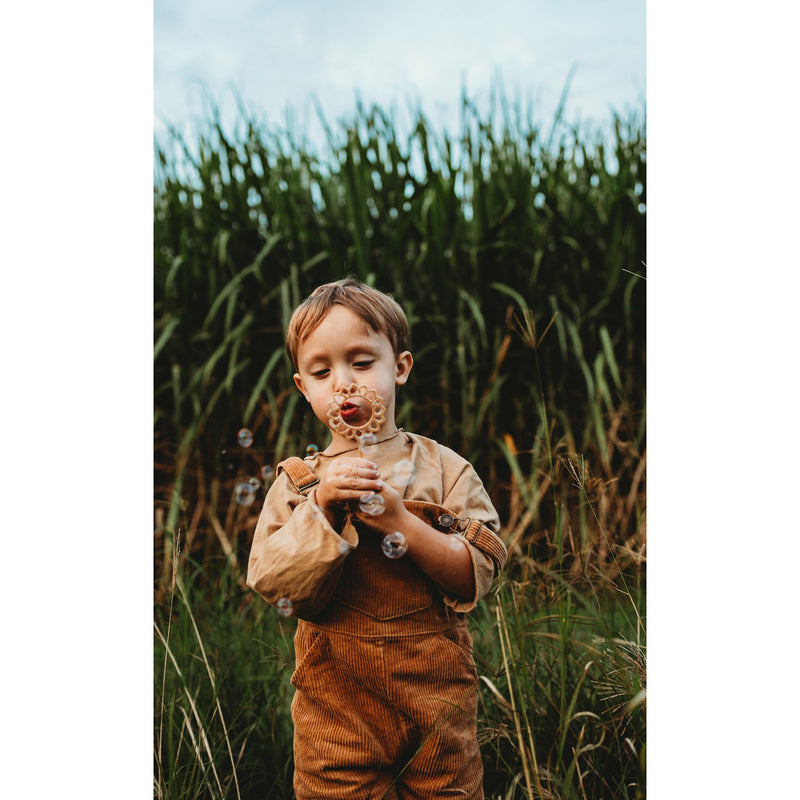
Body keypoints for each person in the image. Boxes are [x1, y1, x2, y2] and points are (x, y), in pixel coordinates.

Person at [247, 277, 507, 800]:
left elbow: (480, 572)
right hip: (337, 719)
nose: (343, 383)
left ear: (400, 367)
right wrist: (321, 508)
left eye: (362, 363)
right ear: (304, 386)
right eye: (322, 371)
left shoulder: (445, 470)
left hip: (437, 712)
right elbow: (274, 582)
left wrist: (401, 524)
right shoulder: (298, 483)